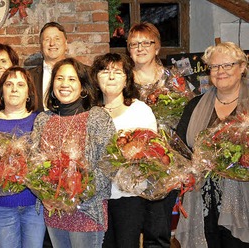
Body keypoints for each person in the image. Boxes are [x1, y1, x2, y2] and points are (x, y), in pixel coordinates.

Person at [31, 58, 114, 248]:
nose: (64, 84)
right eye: (59, 78)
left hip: (87, 211)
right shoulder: (43, 120)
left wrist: (73, 196)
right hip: (54, 213)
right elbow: (33, 165)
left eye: (72, 79)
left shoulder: (97, 117)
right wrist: (44, 195)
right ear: (52, 86)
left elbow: (108, 166)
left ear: (83, 87)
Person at [175, 42, 249, 248]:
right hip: (203, 200)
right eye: (215, 67)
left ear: (242, 67)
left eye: (227, 65)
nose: (220, 71)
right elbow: (179, 147)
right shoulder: (195, 105)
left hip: (244, 200)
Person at [91, 53, 159, 248]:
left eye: (117, 72)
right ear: (96, 78)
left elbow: (153, 151)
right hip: (98, 198)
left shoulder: (140, 110)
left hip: (129, 196)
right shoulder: (90, 113)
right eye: (105, 71)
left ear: (127, 79)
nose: (111, 77)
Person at [127, 22, 183, 247]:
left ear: (157, 47)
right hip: (128, 165)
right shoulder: (123, 80)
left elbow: (185, 120)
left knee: (158, 233)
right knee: (128, 232)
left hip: (164, 164)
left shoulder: (173, 80)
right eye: (134, 44)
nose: (140, 48)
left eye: (146, 42)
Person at [0, 66, 46, 247]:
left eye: (20, 84)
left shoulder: (40, 121)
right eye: (9, 84)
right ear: (1, 91)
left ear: (29, 93)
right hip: (0, 205)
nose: (14, 89)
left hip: (34, 204)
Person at [29, 22, 69, 112]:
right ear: (41, 46)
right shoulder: (28, 77)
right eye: (47, 40)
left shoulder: (83, 73)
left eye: (57, 39)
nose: (52, 43)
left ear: (66, 43)